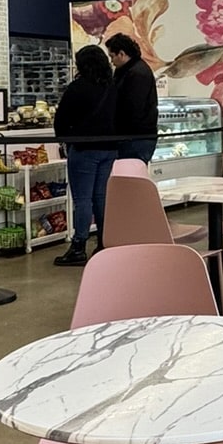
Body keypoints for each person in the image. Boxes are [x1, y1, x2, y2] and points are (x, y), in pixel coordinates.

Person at [51, 44, 116, 267]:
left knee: (82, 199)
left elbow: (61, 120)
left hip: (84, 149)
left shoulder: (77, 88)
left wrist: (65, 139)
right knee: (100, 197)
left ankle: (79, 246)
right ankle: (104, 242)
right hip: (110, 148)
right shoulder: (112, 87)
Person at [107, 31, 159, 163]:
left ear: (122, 54)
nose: (111, 61)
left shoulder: (136, 74)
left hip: (135, 139)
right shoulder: (131, 70)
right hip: (135, 137)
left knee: (130, 178)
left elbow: (133, 108)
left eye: (112, 56)